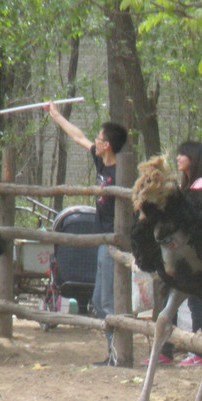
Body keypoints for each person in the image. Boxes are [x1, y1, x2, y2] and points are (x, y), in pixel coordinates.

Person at [46, 102, 128, 366]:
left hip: (114, 243)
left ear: (108, 145)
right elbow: (78, 137)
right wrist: (56, 115)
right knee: (98, 300)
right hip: (102, 241)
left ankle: (118, 355)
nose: (96, 140)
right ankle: (113, 352)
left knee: (107, 302)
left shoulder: (120, 172)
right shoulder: (100, 161)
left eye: (100, 138)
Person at [157, 140, 202, 367]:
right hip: (185, 253)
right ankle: (166, 349)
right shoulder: (191, 184)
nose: (178, 158)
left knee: (194, 301)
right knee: (172, 298)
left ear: (193, 158)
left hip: (196, 255)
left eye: (183, 154)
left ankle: (199, 353)